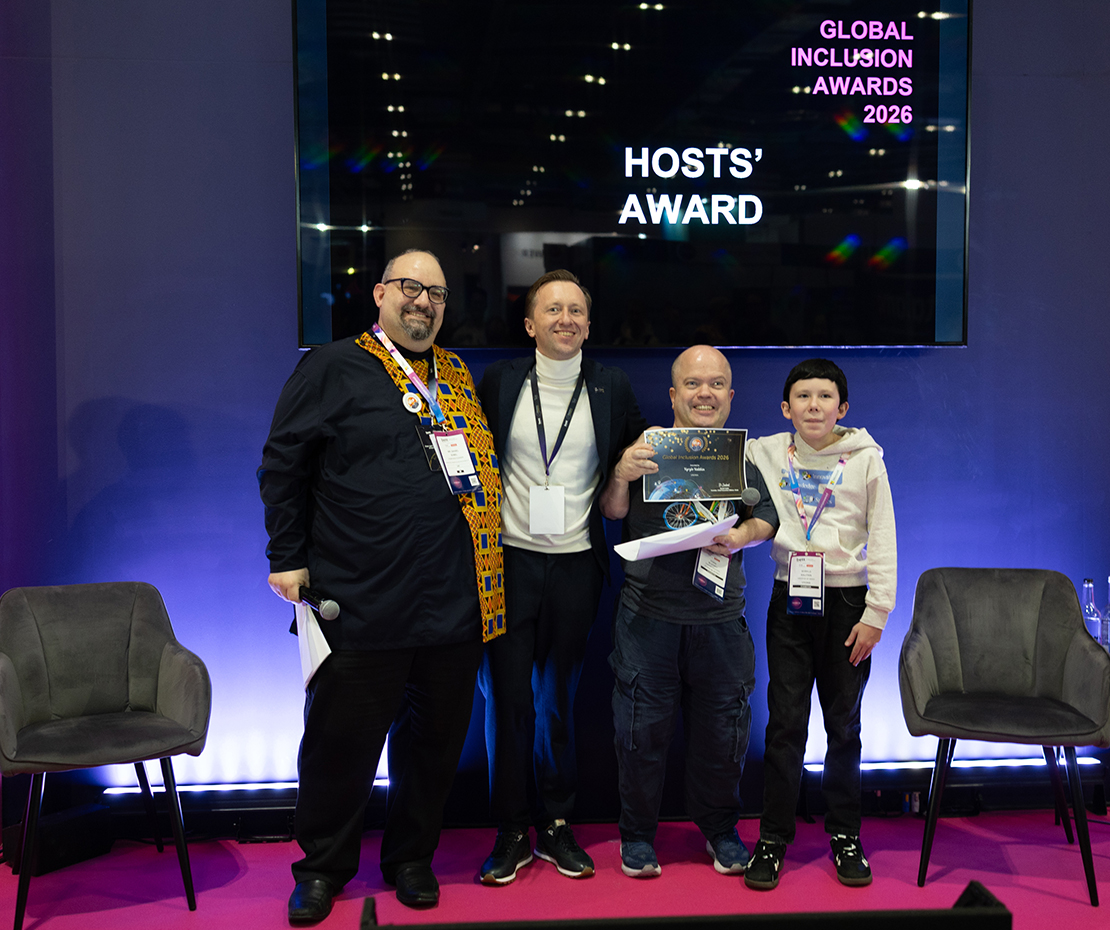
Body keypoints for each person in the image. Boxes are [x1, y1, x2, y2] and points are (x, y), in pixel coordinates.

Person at [259, 249, 504, 923]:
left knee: (433, 747)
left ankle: (411, 859)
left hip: (454, 600)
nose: (423, 301)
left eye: (437, 293)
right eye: (410, 287)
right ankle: (321, 869)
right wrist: (286, 555)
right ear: (379, 294)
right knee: (339, 747)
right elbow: (282, 464)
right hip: (360, 596)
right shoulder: (331, 365)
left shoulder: (456, 375)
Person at [476, 269, 646, 884]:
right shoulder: (500, 381)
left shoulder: (611, 385)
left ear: (589, 324)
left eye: (576, 310)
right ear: (530, 324)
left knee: (558, 700)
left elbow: (630, 469)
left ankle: (555, 822)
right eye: (552, 310)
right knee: (507, 700)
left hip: (578, 564)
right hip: (508, 562)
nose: (565, 319)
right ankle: (510, 828)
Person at [599, 345, 778, 879]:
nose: (706, 394)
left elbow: (768, 517)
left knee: (724, 735)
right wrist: (621, 472)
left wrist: (742, 535)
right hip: (647, 620)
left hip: (720, 622)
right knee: (639, 734)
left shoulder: (739, 458)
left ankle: (721, 831)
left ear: (730, 395)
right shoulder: (645, 451)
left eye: (717, 384)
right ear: (674, 395)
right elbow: (611, 509)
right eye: (694, 385)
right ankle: (637, 836)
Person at [744, 358, 896, 891]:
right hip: (790, 600)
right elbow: (710, 453)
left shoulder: (866, 460)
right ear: (786, 408)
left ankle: (845, 836)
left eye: (825, 397)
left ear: (842, 408)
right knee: (785, 724)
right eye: (803, 397)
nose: (814, 406)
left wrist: (877, 614)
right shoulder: (764, 451)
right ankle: (772, 839)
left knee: (844, 727)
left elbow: (883, 536)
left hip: (849, 606)